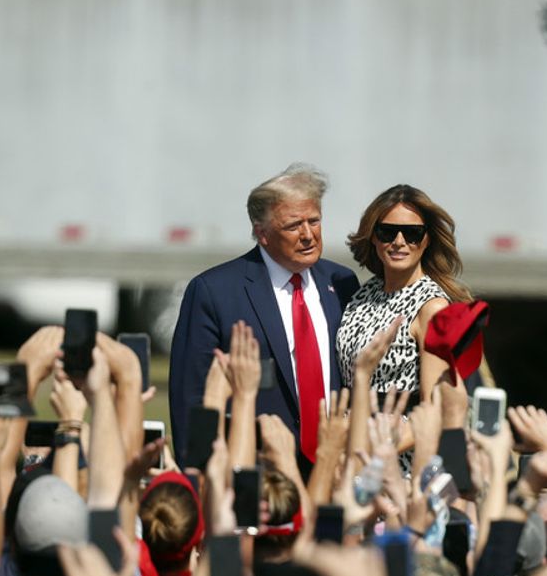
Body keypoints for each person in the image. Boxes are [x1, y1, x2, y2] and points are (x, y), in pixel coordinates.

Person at [169, 163, 359, 463]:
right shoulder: (214, 292)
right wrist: (199, 477)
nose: (308, 235)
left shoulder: (341, 283)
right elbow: (191, 398)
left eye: (315, 221)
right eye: (294, 225)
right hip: (256, 472)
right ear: (263, 233)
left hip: (334, 467)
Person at [337, 184, 471, 403]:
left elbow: (432, 407)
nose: (399, 242)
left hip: (395, 434)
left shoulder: (433, 307)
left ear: (427, 239)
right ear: (373, 236)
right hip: (349, 431)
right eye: (387, 232)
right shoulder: (364, 293)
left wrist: (391, 437)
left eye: (412, 234)